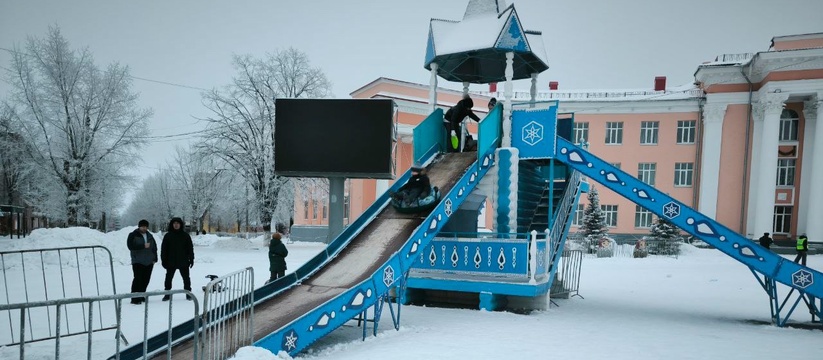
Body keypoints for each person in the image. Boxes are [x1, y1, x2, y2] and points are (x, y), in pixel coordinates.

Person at [161, 217, 195, 301]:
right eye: (174, 223)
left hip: (183, 261)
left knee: (186, 278)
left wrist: (191, 259)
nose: (176, 225)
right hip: (170, 261)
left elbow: (190, 248)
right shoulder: (168, 236)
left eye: (178, 223)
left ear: (180, 225)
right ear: (172, 225)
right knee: (168, 278)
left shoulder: (185, 236)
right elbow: (163, 249)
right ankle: (167, 294)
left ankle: (188, 293)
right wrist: (163, 260)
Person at [126, 219, 158, 304]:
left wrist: (155, 258)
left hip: (149, 261)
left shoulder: (150, 235)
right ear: (139, 226)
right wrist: (143, 246)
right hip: (138, 261)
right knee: (138, 279)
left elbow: (154, 247)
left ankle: (141, 295)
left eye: (146, 226)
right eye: (142, 226)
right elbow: (130, 246)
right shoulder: (133, 235)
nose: (144, 228)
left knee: (146, 279)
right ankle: (134, 297)